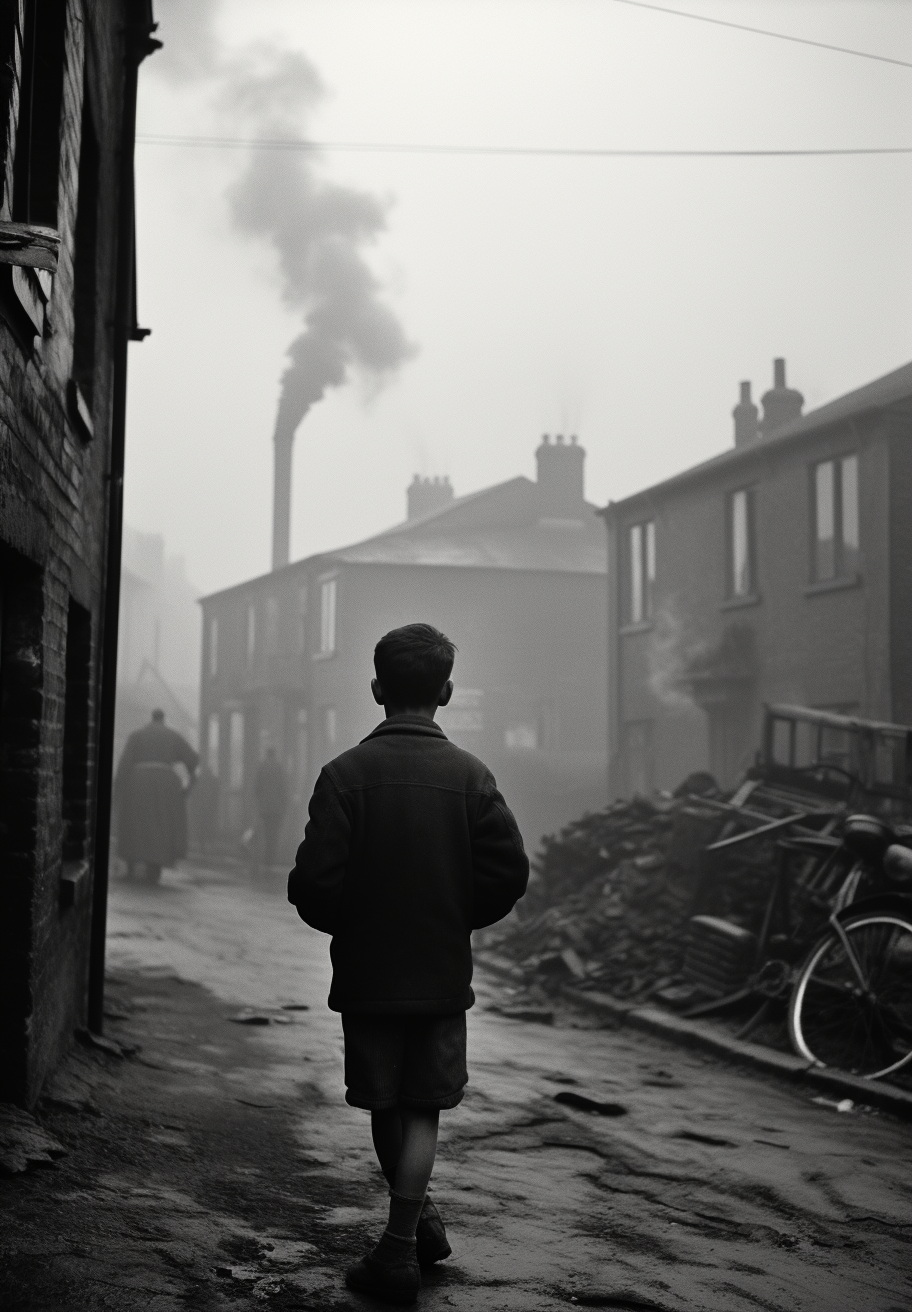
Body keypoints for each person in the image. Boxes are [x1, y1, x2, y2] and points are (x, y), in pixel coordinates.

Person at [288, 623, 529, 1304]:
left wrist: (355, 924)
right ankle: (409, 1228)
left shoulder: (343, 776)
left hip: (368, 975)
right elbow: (509, 873)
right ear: (446, 691)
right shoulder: (472, 777)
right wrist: (456, 915)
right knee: (424, 1107)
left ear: (375, 689)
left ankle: (399, 1246)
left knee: (386, 1105)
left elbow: (312, 883)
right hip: (439, 973)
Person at [115, 709, 199, 884]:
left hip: (138, 782)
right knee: (162, 825)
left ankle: (131, 862)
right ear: (163, 719)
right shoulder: (173, 736)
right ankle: (155, 866)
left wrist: (118, 788)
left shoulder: (136, 736)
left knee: (135, 822)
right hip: (165, 785)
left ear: (151, 718)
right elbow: (192, 759)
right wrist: (189, 784)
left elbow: (124, 764)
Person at [253, 746, 290, 868]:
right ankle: (271, 859)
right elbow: (284, 788)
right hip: (277, 808)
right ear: (274, 754)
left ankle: (266, 858)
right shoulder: (279, 768)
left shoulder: (261, 768)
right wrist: (285, 804)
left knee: (267, 833)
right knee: (274, 834)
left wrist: (260, 801)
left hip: (265, 808)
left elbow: (257, 788)